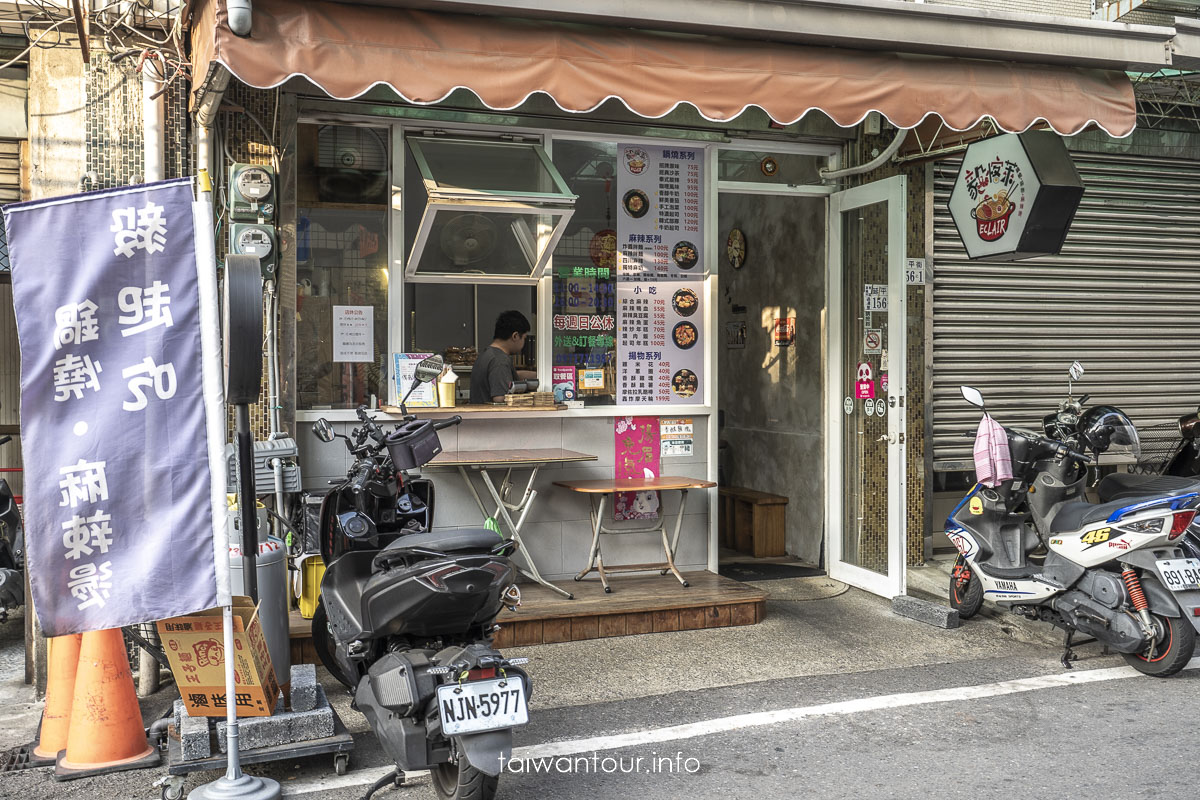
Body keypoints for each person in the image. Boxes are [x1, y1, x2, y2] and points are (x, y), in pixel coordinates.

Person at [470, 310, 537, 404]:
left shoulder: (487, 355)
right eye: (524, 338)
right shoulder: (500, 360)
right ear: (515, 336)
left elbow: (508, 375)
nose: (524, 343)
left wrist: (541, 375)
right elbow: (501, 398)